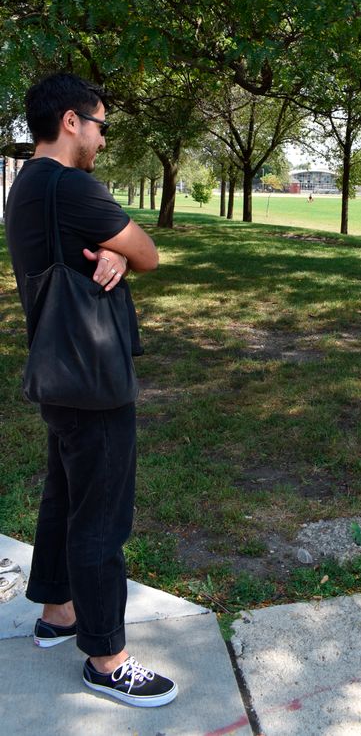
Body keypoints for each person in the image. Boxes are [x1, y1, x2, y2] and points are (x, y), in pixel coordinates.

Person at [4, 73, 178, 707]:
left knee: (64, 495)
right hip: (92, 375)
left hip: (59, 373)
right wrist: (127, 254)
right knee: (101, 517)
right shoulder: (69, 185)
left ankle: (58, 613)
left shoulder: (26, 185)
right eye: (101, 124)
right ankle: (106, 658)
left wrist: (116, 257)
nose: (103, 139)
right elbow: (151, 250)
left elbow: (113, 252)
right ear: (72, 121)